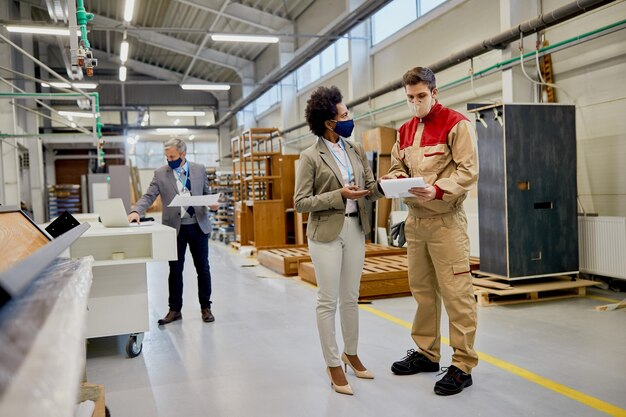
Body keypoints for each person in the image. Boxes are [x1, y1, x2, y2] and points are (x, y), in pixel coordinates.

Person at [382, 67, 479, 396]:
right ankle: (426, 354)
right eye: (410, 98)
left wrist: (438, 190)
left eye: (421, 96)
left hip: (446, 222)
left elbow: (468, 172)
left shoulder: (456, 124)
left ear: (434, 92)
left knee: (457, 294)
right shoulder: (404, 130)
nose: (416, 103)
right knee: (422, 292)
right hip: (415, 222)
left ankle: (463, 364)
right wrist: (395, 180)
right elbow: (397, 166)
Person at [294, 86, 385, 395]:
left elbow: (370, 186)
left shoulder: (355, 149)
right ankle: (333, 363)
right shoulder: (309, 157)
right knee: (327, 300)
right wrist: (339, 195)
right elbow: (301, 202)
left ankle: (352, 352)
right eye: (345, 115)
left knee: (351, 296)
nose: (351, 119)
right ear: (329, 122)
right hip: (326, 235)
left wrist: (391, 186)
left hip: (355, 228)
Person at [128, 138, 219, 325]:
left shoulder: (199, 169)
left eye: (173, 156)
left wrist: (213, 204)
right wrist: (136, 210)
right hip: (174, 229)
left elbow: (206, 193)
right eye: (167, 157)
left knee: (203, 268)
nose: (169, 160)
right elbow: (149, 195)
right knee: (175, 270)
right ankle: (175, 309)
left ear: (183, 154)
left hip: (198, 226)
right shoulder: (161, 173)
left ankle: (205, 307)